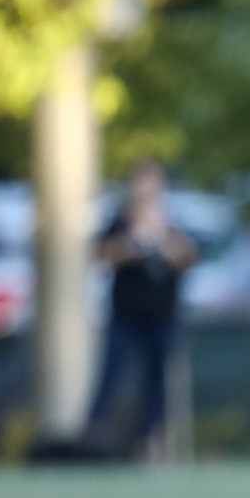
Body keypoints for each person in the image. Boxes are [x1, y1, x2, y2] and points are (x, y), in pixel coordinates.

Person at [89, 160, 196, 457]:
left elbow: (189, 256)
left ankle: (149, 438)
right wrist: (131, 245)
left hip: (162, 315)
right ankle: (93, 433)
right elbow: (101, 254)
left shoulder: (172, 222)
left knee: (158, 378)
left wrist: (164, 245)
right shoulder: (121, 222)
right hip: (126, 314)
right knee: (112, 371)